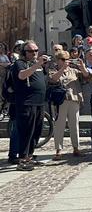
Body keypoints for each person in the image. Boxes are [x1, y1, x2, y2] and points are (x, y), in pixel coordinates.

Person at [12, 41, 49, 171]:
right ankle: (22, 159)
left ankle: (30, 157)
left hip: (39, 102)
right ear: (24, 52)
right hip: (26, 103)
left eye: (36, 50)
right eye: (31, 51)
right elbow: (22, 75)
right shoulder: (20, 64)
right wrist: (37, 64)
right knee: (26, 131)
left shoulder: (39, 65)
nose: (34, 53)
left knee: (37, 131)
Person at [49, 51, 86, 159]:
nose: (67, 62)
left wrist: (82, 67)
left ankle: (76, 148)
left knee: (74, 125)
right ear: (58, 60)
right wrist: (62, 69)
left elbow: (86, 76)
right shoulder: (53, 70)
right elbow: (53, 79)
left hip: (74, 98)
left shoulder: (73, 70)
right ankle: (58, 150)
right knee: (59, 125)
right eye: (64, 60)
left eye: (67, 59)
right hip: (60, 100)